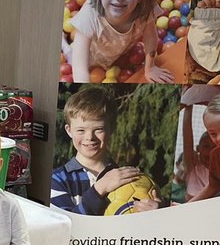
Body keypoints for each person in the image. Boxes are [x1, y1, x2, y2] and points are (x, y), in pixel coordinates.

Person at [68, 0, 171, 84]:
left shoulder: (145, 8)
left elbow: (150, 35)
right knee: (69, 54)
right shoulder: (89, 15)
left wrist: (150, 67)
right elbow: (80, 69)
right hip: (91, 59)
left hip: (120, 54)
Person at [50, 87, 158, 215]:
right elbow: (65, 226)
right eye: (81, 130)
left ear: (112, 128)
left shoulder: (128, 178)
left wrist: (155, 215)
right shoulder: (57, 180)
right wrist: (99, 189)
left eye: (98, 129)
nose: (89, 137)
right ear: (69, 130)